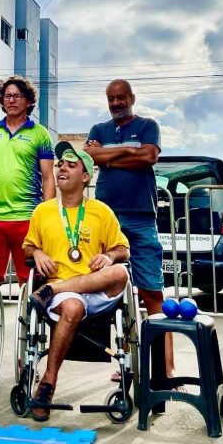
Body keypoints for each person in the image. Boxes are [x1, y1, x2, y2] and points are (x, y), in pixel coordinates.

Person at [23, 142, 130, 422]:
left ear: (85, 177)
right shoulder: (43, 211)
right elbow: (27, 248)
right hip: (65, 299)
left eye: (71, 165)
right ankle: (47, 382)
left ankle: (53, 289)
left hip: (89, 289)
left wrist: (109, 257)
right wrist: (38, 252)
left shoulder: (101, 211)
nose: (62, 168)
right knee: (71, 306)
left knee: (122, 273)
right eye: (60, 164)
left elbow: (123, 250)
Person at [83, 79, 177, 384]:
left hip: (141, 218)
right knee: (116, 292)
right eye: (111, 98)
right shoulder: (99, 130)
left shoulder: (149, 124)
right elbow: (91, 157)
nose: (116, 103)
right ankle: (126, 361)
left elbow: (149, 157)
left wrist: (109, 156)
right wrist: (127, 151)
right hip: (107, 219)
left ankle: (166, 366)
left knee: (152, 291)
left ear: (131, 98)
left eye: (121, 98)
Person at [0, 76, 55, 285]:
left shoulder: (40, 134)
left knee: (30, 282)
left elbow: (48, 178)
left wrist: (47, 214)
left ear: (28, 101)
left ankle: (29, 317)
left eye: (17, 96)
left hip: (28, 218)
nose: (11, 100)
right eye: (7, 96)